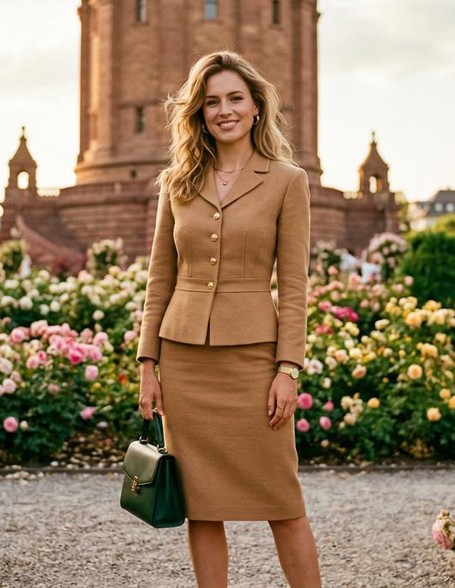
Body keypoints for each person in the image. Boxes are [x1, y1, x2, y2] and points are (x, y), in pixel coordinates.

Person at [135, 51, 321, 587]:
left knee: (282, 498)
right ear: (198, 112)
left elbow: (294, 284)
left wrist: (289, 368)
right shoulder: (178, 180)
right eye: (212, 101)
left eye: (235, 98)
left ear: (256, 107)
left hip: (254, 360)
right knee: (202, 503)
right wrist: (148, 363)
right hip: (184, 360)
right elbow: (159, 278)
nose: (224, 110)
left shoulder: (288, 180)